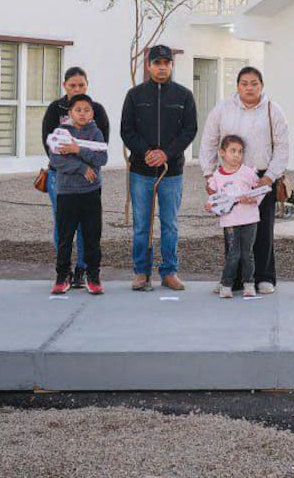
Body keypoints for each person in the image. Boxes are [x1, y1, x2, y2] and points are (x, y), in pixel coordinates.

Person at [198, 66, 290, 295]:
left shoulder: (273, 110)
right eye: (244, 84)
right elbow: (209, 140)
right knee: (233, 230)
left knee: (262, 229)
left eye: (254, 84)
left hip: (262, 178)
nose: (249, 88)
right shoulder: (223, 109)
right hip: (230, 178)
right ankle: (233, 280)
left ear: (262, 86)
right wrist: (209, 174)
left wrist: (269, 177)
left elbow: (282, 147)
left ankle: (264, 277)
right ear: (237, 86)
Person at [120, 44, 198, 292]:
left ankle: (169, 272)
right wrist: (146, 152)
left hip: (171, 172)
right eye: (157, 63)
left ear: (172, 65)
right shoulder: (134, 95)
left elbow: (190, 130)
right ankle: (141, 272)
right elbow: (127, 131)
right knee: (142, 225)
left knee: (170, 224)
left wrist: (166, 153)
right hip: (141, 171)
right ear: (149, 65)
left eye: (166, 63)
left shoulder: (184, 96)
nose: (162, 67)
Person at [41, 67, 111, 289]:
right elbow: (55, 156)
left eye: (81, 85)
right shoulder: (59, 123)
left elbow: (101, 155)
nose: (83, 113)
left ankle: (88, 273)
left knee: (90, 233)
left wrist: (77, 149)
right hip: (65, 187)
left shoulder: (96, 127)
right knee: (64, 232)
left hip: (90, 187)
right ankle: (63, 275)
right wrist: (80, 167)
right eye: (72, 85)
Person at [205, 135, 262, 299]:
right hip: (230, 220)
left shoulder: (248, 173)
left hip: (250, 219)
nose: (237, 155)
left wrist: (253, 199)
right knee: (233, 253)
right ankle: (226, 285)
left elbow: (260, 191)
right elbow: (214, 199)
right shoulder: (216, 176)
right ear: (222, 153)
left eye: (240, 152)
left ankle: (249, 284)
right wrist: (210, 206)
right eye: (233, 151)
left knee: (247, 253)